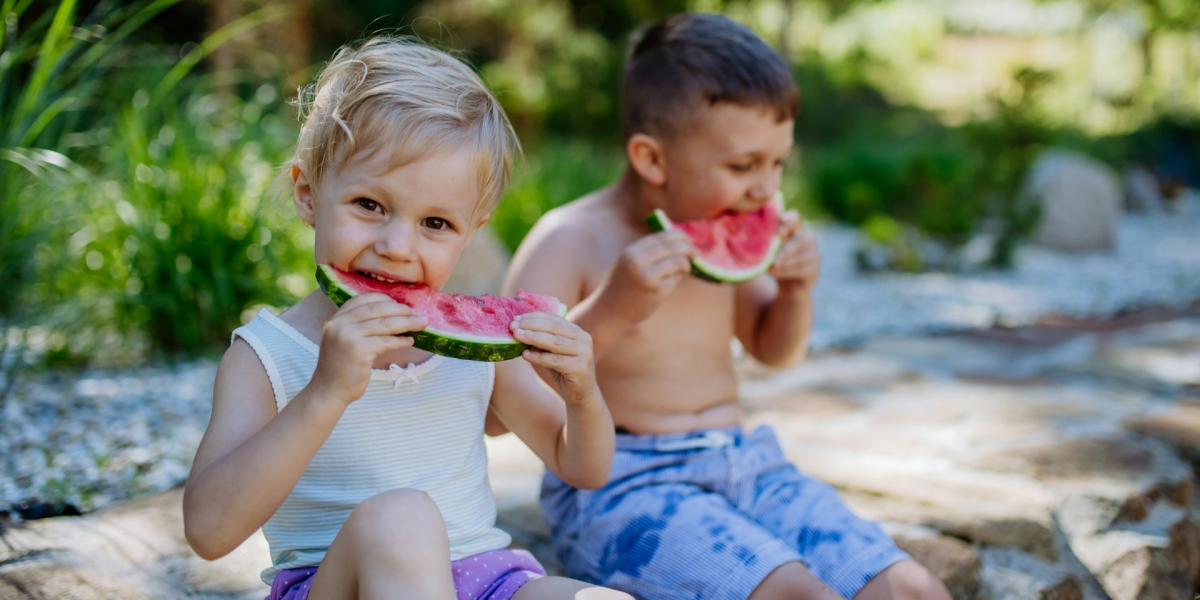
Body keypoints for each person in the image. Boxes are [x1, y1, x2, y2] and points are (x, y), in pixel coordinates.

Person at [502, 14, 952, 600]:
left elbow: (773, 348)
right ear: (651, 159)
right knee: (801, 595)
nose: (766, 188)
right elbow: (501, 398)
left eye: (778, 163)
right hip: (623, 484)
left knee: (912, 588)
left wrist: (795, 292)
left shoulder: (722, 223)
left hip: (746, 464)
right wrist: (613, 308)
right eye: (743, 166)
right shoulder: (571, 239)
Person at [183, 37, 629, 600]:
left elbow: (582, 466)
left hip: (483, 580)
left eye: (436, 223)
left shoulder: (475, 354)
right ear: (307, 194)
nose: (397, 246)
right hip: (340, 585)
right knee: (402, 519)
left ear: (472, 231)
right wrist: (324, 393)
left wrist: (582, 393)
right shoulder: (266, 356)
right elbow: (207, 531)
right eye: (370, 206)